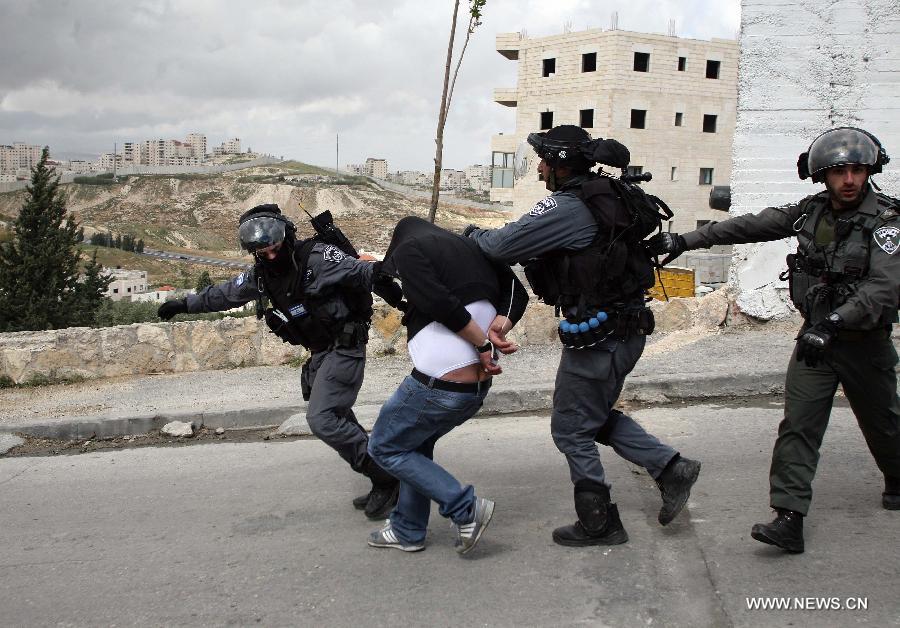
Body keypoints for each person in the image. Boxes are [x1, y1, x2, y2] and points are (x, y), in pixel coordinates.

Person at [648, 127, 900, 553]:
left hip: (863, 342)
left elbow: (883, 288)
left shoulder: (887, 223)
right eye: (840, 171)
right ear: (822, 175)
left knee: (885, 425)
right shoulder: (810, 213)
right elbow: (750, 226)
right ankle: (788, 518)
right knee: (799, 426)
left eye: (858, 170)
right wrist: (684, 239)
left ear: (870, 171)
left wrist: (834, 322)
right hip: (814, 341)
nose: (850, 180)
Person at [464, 125, 701, 547]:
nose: (538, 168)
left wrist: (471, 234)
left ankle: (599, 521)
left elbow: (500, 246)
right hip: (620, 330)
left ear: (558, 165)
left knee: (571, 428)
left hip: (600, 336)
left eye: (543, 161)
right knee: (589, 415)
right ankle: (670, 468)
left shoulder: (568, 207)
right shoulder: (602, 195)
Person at [157, 203, 401, 520]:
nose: (271, 256)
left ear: (286, 237)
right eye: (263, 252)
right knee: (335, 413)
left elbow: (359, 270)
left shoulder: (317, 258)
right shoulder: (262, 275)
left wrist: (390, 269)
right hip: (321, 351)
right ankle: (380, 475)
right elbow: (225, 294)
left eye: (275, 248)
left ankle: (386, 477)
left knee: (323, 418)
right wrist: (183, 304)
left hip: (345, 347)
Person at [365, 216, 529, 554]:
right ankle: (407, 529)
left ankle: (465, 508)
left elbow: (439, 301)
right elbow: (516, 291)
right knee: (413, 442)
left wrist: (483, 344)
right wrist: (501, 324)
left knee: (385, 446)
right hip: (474, 388)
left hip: (438, 385)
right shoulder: (470, 247)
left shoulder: (409, 249)